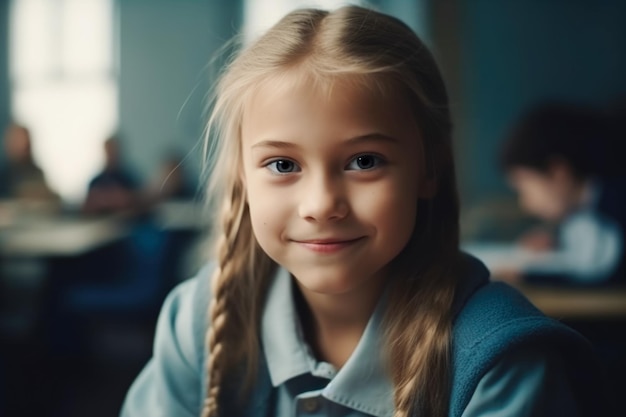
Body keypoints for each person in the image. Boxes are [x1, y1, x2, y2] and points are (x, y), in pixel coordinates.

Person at [121, 7, 610, 417]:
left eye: (364, 161)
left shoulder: (501, 363)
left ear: (428, 169)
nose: (320, 206)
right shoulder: (200, 319)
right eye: (282, 164)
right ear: (242, 180)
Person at [498, 102, 626, 286]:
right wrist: (555, 241)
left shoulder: (616, 208)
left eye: (524, 187)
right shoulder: (582, 208)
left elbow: (599, 276)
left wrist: (528, 276)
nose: (524, 203)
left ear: (558, 173)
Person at [83, 136, 143, 216]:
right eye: (108, 150)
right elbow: (86, 207)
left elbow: (139, 202)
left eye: (113, 150)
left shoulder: (130, 179)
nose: (111, 154)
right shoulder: (96, 181)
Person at [0, 123, 59, 201]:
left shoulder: (36, 172)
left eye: (22, 140)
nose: (20, 145)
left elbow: (51, 198)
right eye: (15, 140)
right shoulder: (3, 174)